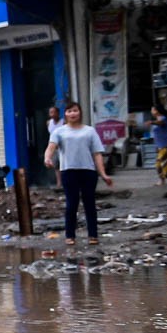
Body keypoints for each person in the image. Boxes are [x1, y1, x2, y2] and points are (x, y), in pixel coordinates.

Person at [45, 101, 113, 243]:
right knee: (72, 204)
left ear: (80, 112)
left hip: (88, 171)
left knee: (89, 203)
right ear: (65, 114)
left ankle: (93, 235)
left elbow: (97, 154)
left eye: (75, 110)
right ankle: (70, 236)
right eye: (69, 111)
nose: (73, 114)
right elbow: (51, 147)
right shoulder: (59, 132)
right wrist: (48, 158)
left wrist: (103, 174)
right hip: (68, 171)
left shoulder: (89, 131)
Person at [149, 105, 167, 190]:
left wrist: (152, 122)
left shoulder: (164, 118)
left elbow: (161, 123)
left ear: (157, 111)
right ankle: (162, 180)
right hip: (160, 146)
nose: (151, 111)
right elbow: (156, 135)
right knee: (161, 165)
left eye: (152, 110)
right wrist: (156, 146)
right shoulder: (157, 121)